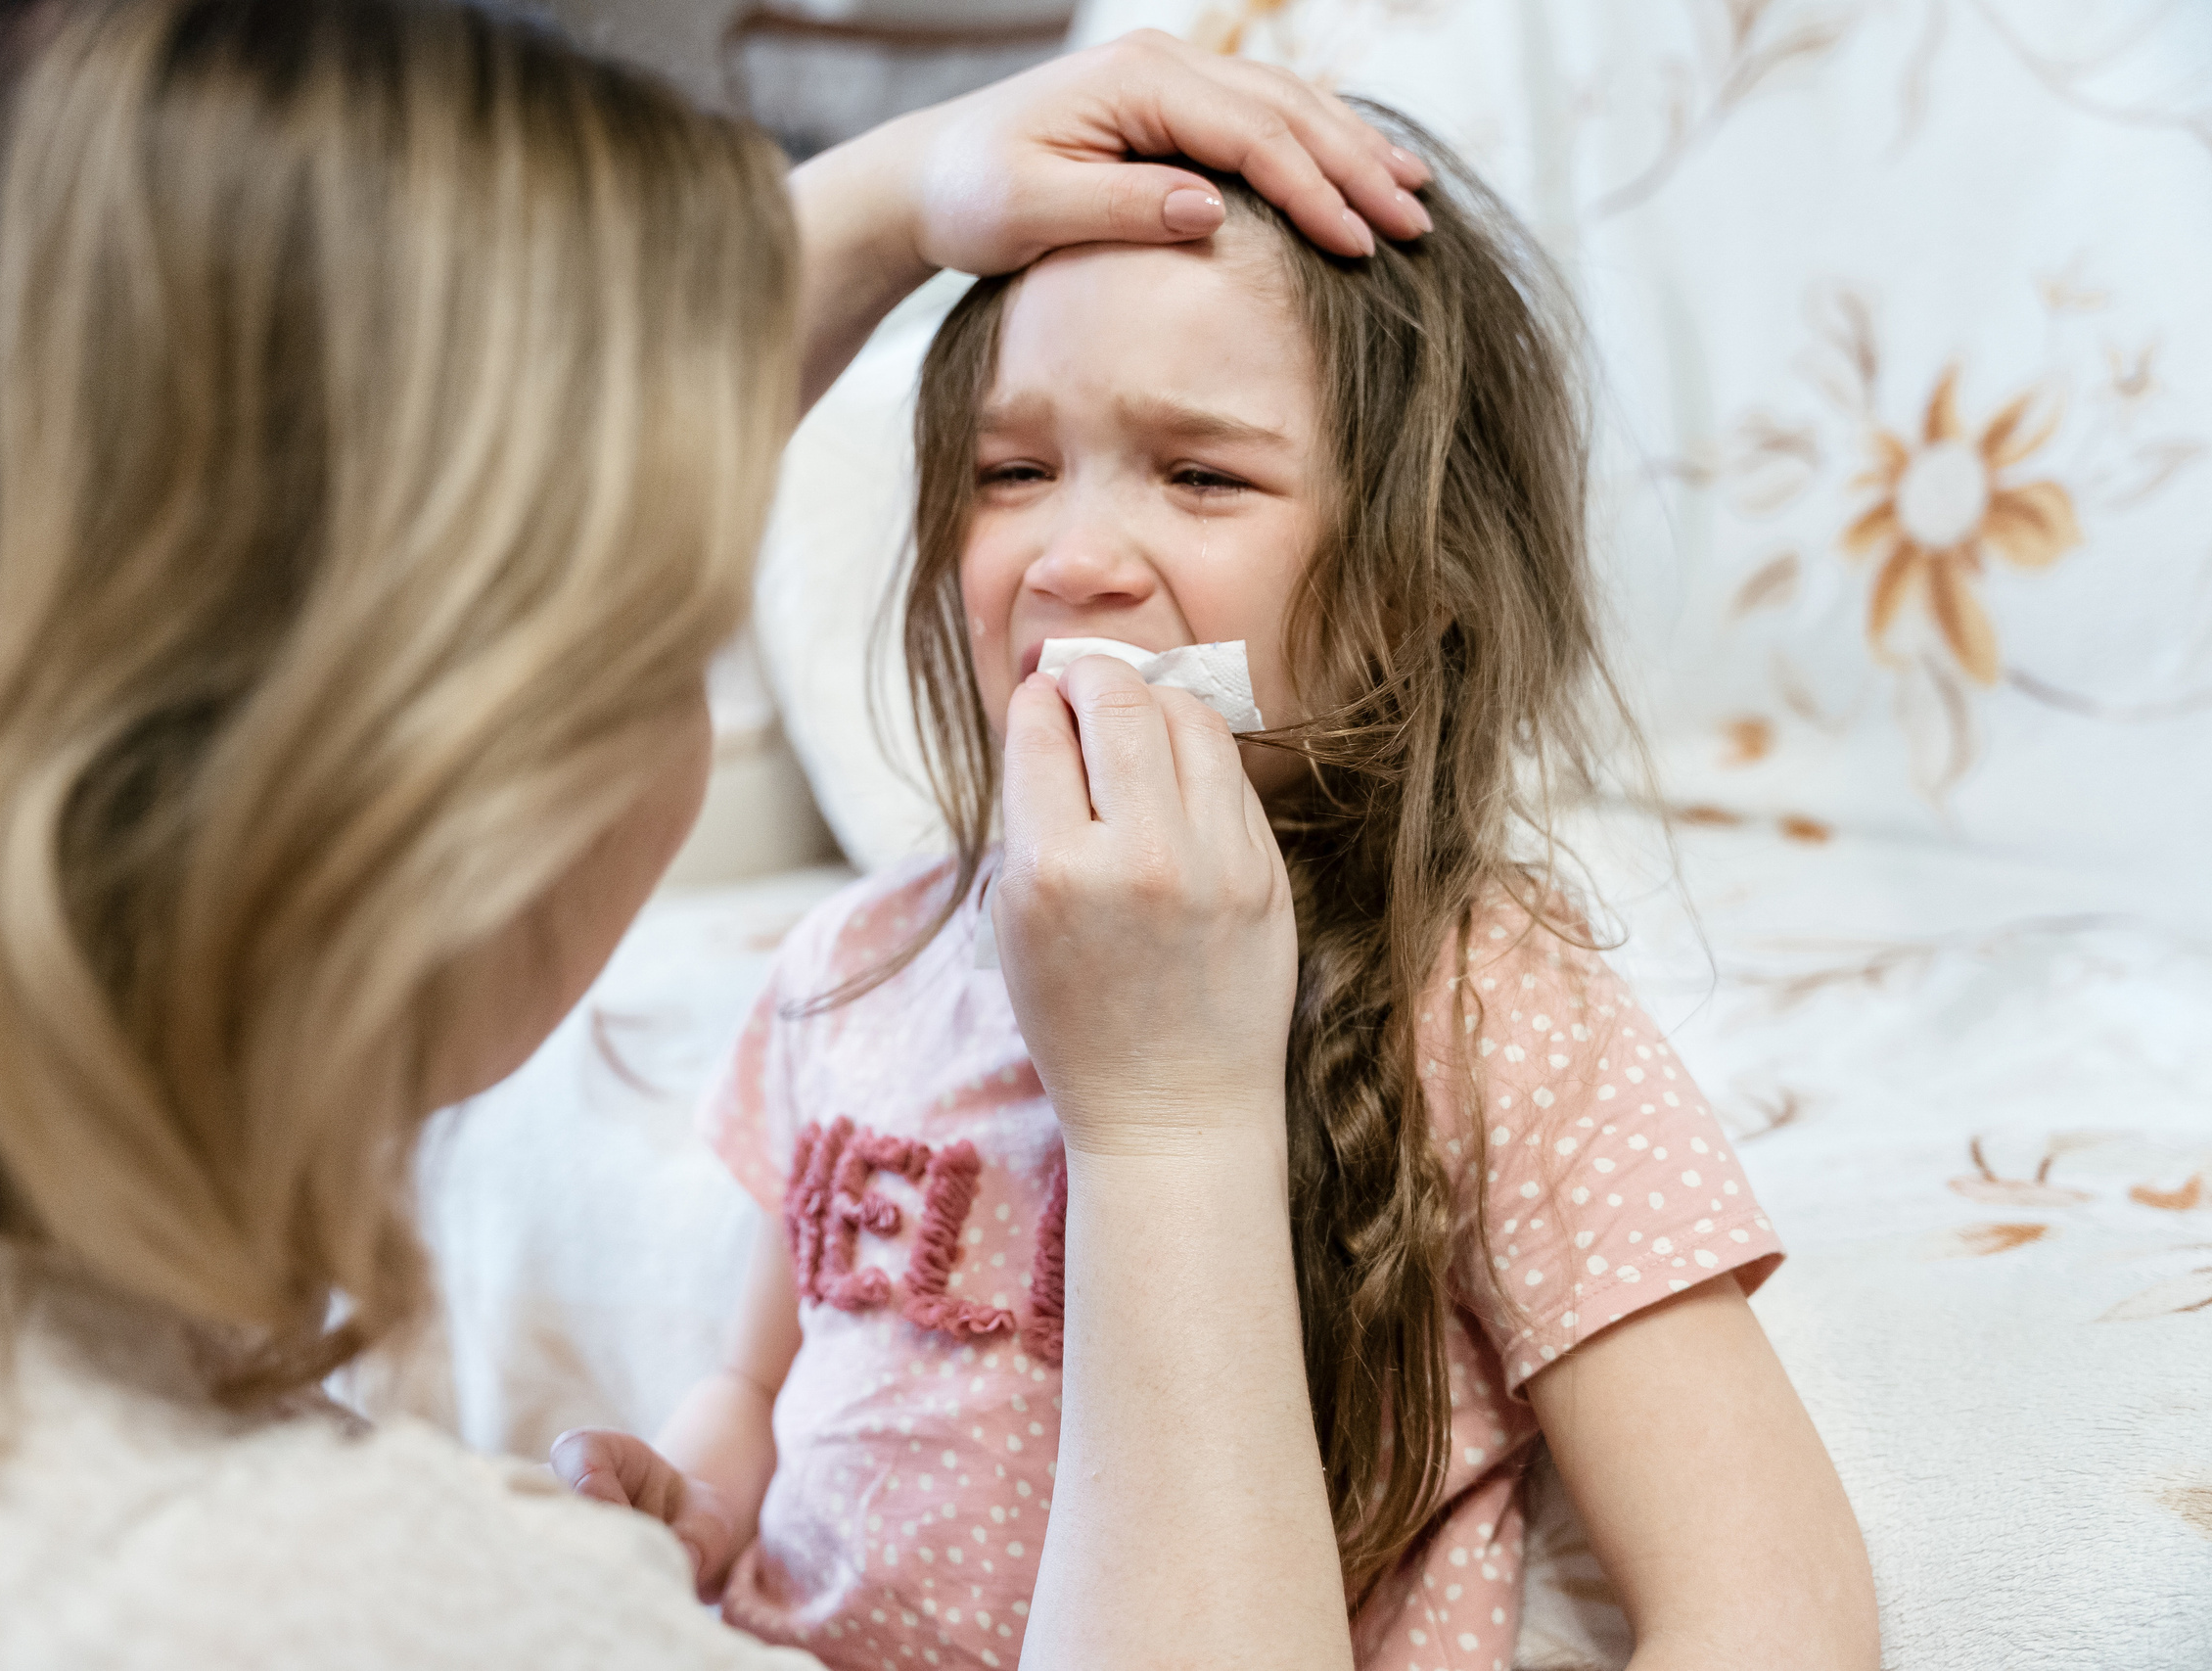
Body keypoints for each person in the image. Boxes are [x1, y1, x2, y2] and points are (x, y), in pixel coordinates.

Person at [0, 2, 1435, 1666]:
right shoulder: (384, 1608)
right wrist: (1173, 1134)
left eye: (1202, 476)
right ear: (445, 787)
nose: (1074, 562)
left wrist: (903, 191)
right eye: (666, 617)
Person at [551, 120, 1882, 1670]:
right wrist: (701, 1497)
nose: (1076, 555)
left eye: (1199, 475)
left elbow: (1772, 1600)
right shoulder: (859, 954)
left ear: (1409, 591)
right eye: (1013, 471)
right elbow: (756, 1379)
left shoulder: (1483, 999)